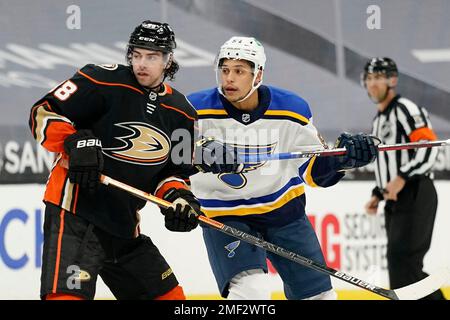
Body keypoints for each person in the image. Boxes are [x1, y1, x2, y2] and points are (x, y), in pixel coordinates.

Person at [188, 36, 378, 300]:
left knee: (320, 297)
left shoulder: (292, 110)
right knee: (251, 294)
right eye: (225, 70)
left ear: (258, 75)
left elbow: (312, 170)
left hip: (283, 212)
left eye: (239, 71)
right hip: (224, 214)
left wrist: (342, 159)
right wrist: (197, 152)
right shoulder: (194, 109)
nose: (229, 78)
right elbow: (170, 157)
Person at [28, 20, 202, 300]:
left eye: (152, 56)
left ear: (169, 60)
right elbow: (42, 113)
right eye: (137, 54)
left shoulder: (182, 114)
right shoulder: (100, 80)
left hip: (124, 226)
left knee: (172, 299)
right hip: (76, 214)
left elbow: (174, 174)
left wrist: (180, 200)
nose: (141, 63)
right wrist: (74, 142)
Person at [362, 57, 446, 300]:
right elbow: (387, 164)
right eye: (369, 78)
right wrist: (379, 194)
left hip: (416, 191)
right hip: (396, 199)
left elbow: (429, 146)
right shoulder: (378, 120)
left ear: (392, 80)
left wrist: (401, 178)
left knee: (405, 263)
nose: (372, 83)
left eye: (378, 77)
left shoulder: (405, 109)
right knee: (400, 267)